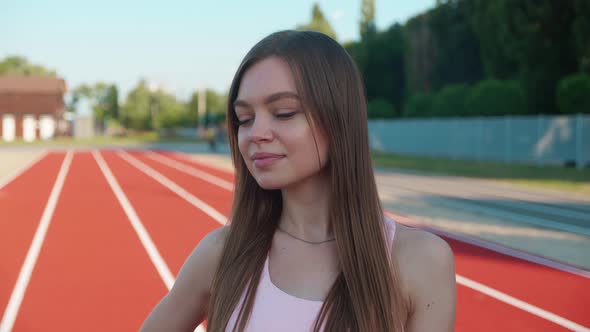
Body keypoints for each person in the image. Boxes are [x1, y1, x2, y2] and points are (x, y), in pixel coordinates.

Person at [140, 30, 456, 332]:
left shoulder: (421, 260)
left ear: (338, 119)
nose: (256, 133)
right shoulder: (220, 255)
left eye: (284, 112)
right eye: (244, 118)